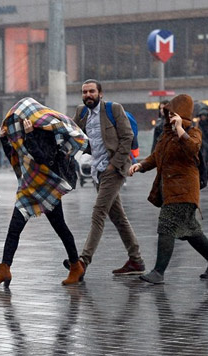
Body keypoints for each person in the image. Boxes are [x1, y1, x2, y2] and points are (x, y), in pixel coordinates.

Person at [0, 98, 88, 287]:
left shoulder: (43, 131)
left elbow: (44, 159)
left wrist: (31, 135)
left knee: (60, 227)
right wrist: (4, 139)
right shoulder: (21, 132)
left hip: (47, 186)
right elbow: (16, 156)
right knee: (14, 228)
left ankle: (75, 266)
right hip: (29, 186)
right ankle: (4, 269)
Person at [129, 94, 208, 284]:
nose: (170, 117)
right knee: (191, 231)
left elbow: (193, 149)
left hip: (184, 190)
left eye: (174, 114)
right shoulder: (166, 134)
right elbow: (156, 156)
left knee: (166, 226)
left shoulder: (193, 132)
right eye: (168, 114)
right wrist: (140, 166)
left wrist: (181, 128)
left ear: (183, 115)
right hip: (170, 190)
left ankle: (158, 272)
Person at [71, 79, 145, 275]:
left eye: (92, 91)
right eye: (85, 92)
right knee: (118, 217)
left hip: (113, 169)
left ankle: (82, 262)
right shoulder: (81, 113)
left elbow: (127, 137)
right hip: (97, 171)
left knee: (98, 213)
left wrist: (114, 165)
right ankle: (136, 260)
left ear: (100, 93)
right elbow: (72, 133)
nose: (88, 95)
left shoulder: (114, 109)